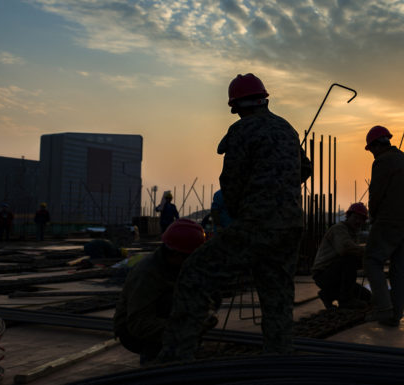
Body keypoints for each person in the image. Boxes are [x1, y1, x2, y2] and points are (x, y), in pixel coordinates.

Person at [156, 73, 304, 362]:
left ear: (236, 106)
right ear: (264, 99)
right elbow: (304, 169)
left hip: (257, 225)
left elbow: (231, 185)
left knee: (195, 274)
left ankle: (176, 358)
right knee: (277, 297)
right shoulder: (288, 130)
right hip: (290, 227)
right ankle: (279, 358)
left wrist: (238, 217)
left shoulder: (242, 131)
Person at [114, 219, 207, 365]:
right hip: (134, 332)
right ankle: (153, 360)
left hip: (163, 324)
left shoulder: (179, 266)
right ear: (177, 254)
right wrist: (182, 330)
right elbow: (138, 323)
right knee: (169, 301)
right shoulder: (147, 273)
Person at [363, 125, 404, 327]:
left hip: (389, 220)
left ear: (377, 145)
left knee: (371, 260)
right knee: (399, 268)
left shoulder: (382, 161)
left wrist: (373, 218)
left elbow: (376, 194)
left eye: (371, 150)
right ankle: (396, 314)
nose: (372, 155)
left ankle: (384, 310)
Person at [311, 202, 372, 309]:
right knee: (350, 258)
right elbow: (345, 249)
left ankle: (327, 295)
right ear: (348, 216)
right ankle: (346, 300)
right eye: (356, 217)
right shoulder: (339, 229)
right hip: (323, 274)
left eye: (361, 219)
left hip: (335, 275)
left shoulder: (352, 233)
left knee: (366, 296)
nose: (358, 221)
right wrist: (368, 252)